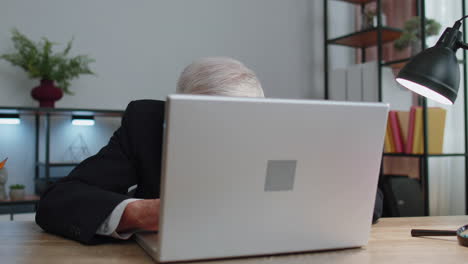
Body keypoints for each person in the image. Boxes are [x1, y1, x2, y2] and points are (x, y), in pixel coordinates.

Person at [36, 57, 382, 245]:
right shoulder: (146, 124)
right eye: (221, 121)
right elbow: (57, 200)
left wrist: (304, 207)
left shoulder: (289, 128)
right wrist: (140, 213)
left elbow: (370, 199)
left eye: (250, 119)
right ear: (175, 114)